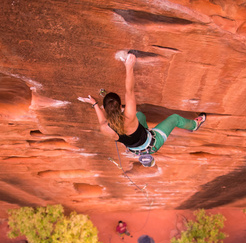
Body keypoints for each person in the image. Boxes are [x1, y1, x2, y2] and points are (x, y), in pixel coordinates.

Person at [78, 53, 206, 167]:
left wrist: (94, 103)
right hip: (153, 142)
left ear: (105, 109)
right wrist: (129, 66)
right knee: (175, 118)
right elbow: (129, 91)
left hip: (136, 148)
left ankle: (143, 149)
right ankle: (194, 125)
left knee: (140, 115)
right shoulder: (129, 115)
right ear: (120, 106)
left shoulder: (105, 127)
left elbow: (102, 120)